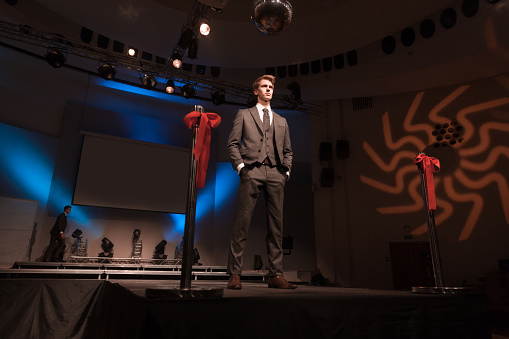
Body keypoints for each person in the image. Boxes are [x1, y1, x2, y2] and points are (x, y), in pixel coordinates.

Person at [226, 75, 296, 289]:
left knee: (276, 226)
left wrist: (286, 171)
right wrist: (241, 167)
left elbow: (288, 151)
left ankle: (275, 274)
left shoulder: (282, 121)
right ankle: (235, 274)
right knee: (242, 223)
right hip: (252, 170)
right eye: (264, 86)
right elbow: (232, 144)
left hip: (276, 173)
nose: (268, 90)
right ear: (255, 90)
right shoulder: (244, 115)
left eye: (271, 87)